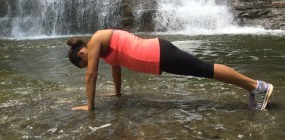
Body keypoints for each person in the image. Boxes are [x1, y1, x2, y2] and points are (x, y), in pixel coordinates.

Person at [67, 29, 273, 111]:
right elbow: (116, 68)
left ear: (80, 54)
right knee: (204, 69)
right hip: (158, 56)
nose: (89, 62)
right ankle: (254, 87)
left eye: (83, 61)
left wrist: (89, 105)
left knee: (205, 69)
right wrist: (117, 92)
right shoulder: (103, 49)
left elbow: (90, 75)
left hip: (158, 53)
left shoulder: (95, 40)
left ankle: (257, 86)